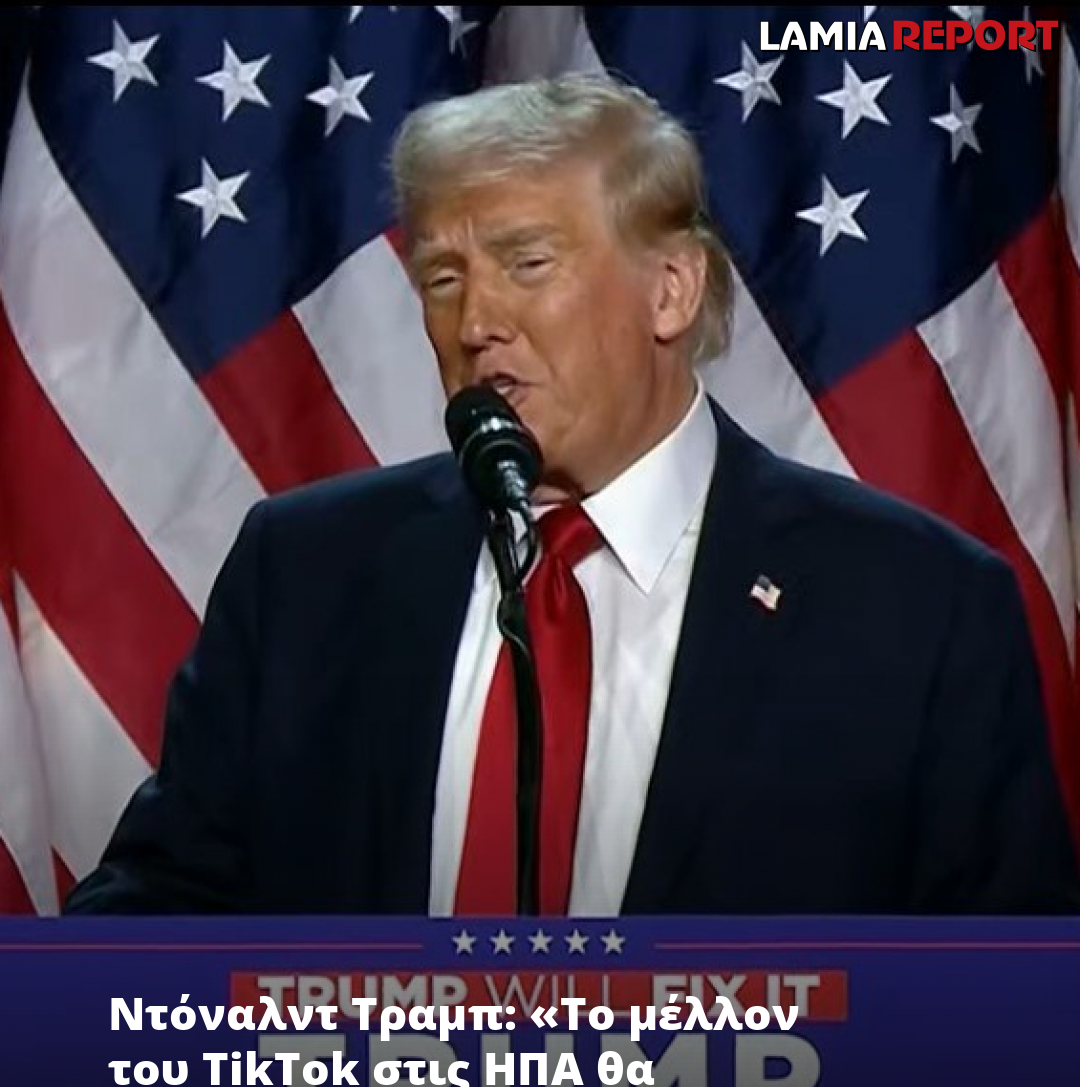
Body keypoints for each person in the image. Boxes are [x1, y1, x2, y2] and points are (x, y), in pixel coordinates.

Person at [64, 72, 1080, 918]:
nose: (476, 322)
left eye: (527, 262)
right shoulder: (306, 570)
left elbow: (999, 1014)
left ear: (671, 290)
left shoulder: (918, 605)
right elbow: (163, 903)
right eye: (443, 278)